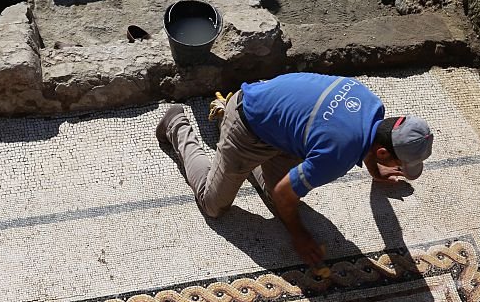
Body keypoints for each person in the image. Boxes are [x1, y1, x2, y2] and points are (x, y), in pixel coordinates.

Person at [156, 73, 434, 268]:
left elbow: (371, 140)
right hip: (247, 126)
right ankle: (176, 123)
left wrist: (375, 169)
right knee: (215, 204)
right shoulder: (337, 155)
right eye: (398, 164)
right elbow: (284, 193)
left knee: (275, 197)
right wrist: (299, 236)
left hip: (281, 124)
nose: (398, 169)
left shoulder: (371, 103)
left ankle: (234, 143)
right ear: (383, 152)